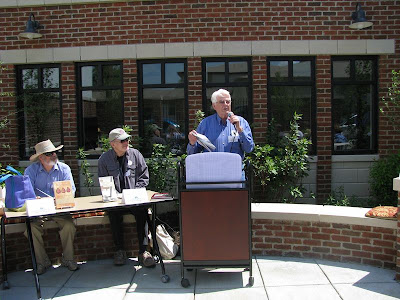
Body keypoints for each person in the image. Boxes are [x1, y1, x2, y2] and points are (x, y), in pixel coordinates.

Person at [98, 128, 156, 267]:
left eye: (127, 139)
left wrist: (134, 193)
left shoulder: (136, 155)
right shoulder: (104, 160)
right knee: (113, 213)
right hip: (116, 201)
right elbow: (104, 182)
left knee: (143, 212)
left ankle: (143, 251)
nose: (126, 142)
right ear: (113, 144)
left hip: (134, 199)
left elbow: (144, 176)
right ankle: (119, 250)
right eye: (122, 140)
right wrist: (114, 195)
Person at [24, 139, 78, 275]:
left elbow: (71, 190)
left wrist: (60, 198)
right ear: (41, 158)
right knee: (31, 229)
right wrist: (34, 199)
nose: (54, 155)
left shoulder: (64, 168)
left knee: (69, 225)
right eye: (49, 153)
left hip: (59, 209)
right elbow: (27, 192)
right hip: (39, 210)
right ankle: (42, 262)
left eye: (55, 152)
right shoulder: (30, 171)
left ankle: (68, 259)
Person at [187, 89, 254, 159]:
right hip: (212, 168)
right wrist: (192, 143)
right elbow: (192, 154)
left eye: (228, 102)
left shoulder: (241, 122)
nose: (226, 104)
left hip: (234, 168)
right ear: (214, 106)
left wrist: (240, 130)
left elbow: (249, 149)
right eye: (222, 102)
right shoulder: (205, 124)